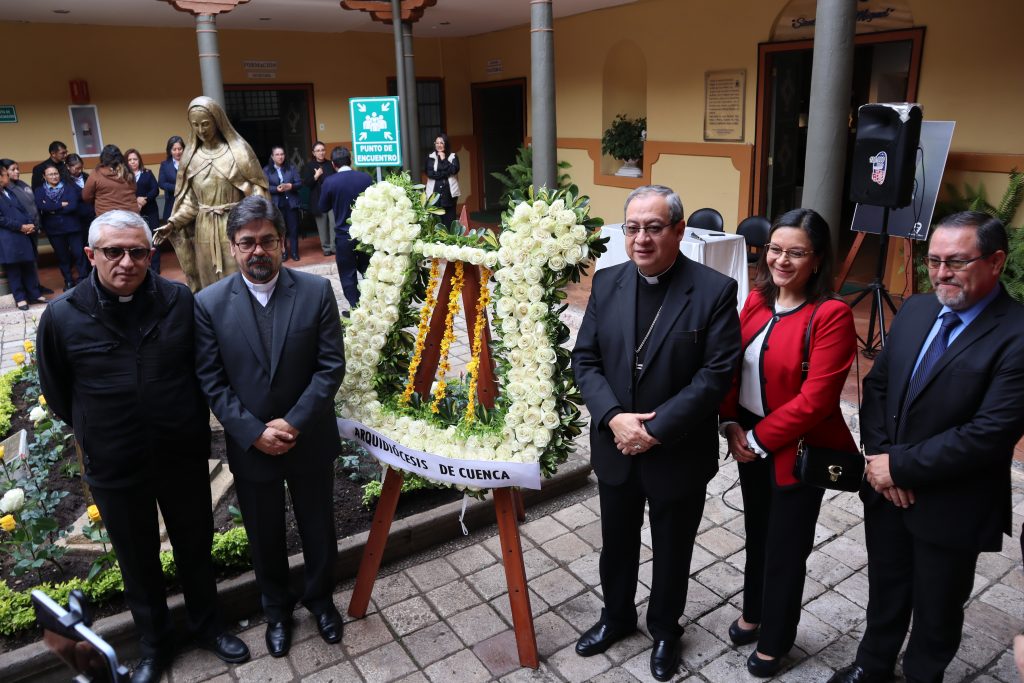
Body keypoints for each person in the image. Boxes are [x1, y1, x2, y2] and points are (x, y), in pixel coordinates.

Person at [36, 210, 250, 683]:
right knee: (137, 560)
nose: (127, 262)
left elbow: (203, 370)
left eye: (137, 252)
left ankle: (208, 627)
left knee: (195, 546)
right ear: (91, 255)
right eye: (113, 251)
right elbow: (57, 392)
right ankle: (155, 644)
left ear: (151, 254)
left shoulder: (177, 300)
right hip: (115, 463)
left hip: (181, 454)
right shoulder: (62, 316)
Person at [829, 211, 1024, 683]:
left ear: (996, 261)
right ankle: (871, 666)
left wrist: (901, 468)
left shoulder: (1017, 334)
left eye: (956, 262)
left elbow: (988, 434)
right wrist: (880, 463)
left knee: (937, 607)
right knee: (886, 587)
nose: (940, 273)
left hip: (954, 500)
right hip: (887, 485)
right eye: (934, 261)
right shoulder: (916, 309)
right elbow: (877, 389)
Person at [571, 185, 741, 681]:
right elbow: (586, 361)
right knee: (616, 543)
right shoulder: (608, 283)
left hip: (677, 449)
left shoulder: (712, 290)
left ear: (679, 231)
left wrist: (656, 430)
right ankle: (617, 617)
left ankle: (666, 628)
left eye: (653, 227)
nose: (641, 238)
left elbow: (715, 375)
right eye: (632, 228)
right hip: (616, 443)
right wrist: (614, 419)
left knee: (673, 547)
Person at [194, 195, 346, 657]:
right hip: (251, 444)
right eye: (247, 243)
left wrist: (294, 423)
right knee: (264, 534)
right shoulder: (209, 304)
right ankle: (276, 611)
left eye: (266, 241)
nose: (257, 251)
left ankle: (320, 600)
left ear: (283, 242)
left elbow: (330, 367)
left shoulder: (317, 292)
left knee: (319, 527)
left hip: (310, 438)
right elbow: (211, 379)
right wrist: (254, 431)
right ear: (233, 248)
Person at [718, 209, 857, 677]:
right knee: (758, 531)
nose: (781, 260)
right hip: (748, 438)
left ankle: (777, 639)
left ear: (817, 260)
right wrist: (731, 423)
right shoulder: (758, 299)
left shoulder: (831, 315)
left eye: (795, 252)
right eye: (775, 249)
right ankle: (755, 612)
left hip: (796, 447)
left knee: (786, 545)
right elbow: (732, 366)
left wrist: (758, 439)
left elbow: (816, 400)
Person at [156, 96, 268, 292]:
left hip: (235, 227)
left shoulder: (238, 152)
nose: (201, 130)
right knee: (208, 283)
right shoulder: (190, 158)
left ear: (217, 121)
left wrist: (256, 220)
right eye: (196, 125)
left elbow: (257, 191)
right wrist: (173, 223)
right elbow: (191, 202)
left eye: (206, 124)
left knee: (240, 281)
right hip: (204, 231)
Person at [318, 146, 372, 309]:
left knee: (347, 275)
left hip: (343, 236)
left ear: (333, 164)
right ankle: (373, 305)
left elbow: (322, 207)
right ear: (350, 160)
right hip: (366, 234)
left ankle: (356, 309)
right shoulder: (365, 178)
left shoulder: (330, 182)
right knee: (369, 271)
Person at [0, 164, 45, 310]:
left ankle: (34, 294)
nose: (8, 177)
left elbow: (23, 209)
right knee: (14, 269)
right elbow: (1, 219)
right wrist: (20, 226)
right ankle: (20, 298)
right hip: (9, 237)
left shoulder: (9, 192)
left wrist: (29, 223)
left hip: (23, 233)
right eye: (6, 174)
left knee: (28, 265)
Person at [35, 165, 87, 290]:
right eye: (50, 174)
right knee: (62, 256)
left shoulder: (69, 187)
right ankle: (68, 280)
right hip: (54, 230)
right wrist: (61, 205)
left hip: (73, 227)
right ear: (44, 177)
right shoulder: (39, 191)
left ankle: (83, 279)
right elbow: (41, 207)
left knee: (79, 254)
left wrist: (52, 208)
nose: (54, 176)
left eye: (56, 173)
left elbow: (73, 206)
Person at [263, 146, 303, 261]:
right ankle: (283, 252)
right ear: (272, 156)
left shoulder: (291, 168)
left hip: (291, 202)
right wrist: (276, 189)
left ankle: (295, 252)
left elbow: (299, 183)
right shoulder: (266, 170)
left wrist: (291, 186)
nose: (280, 157)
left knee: (293, 229)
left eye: (282, 154)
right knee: (280, 229)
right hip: (277, 204)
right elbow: (264, 187)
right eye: (277, 154)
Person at [126, 148, 162, 273]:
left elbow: (155, 189)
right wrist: (136, 201)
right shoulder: (124, 177)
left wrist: (144, 199)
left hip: (151, 211)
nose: (132, 162)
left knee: (153, 239)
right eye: (129, 160)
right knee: (138, 240)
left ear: (139, 160)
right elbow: (122, 193)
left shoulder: (147, 173)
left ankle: (155, 268)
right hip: (133, 213)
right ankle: (142, 267)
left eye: (135, 159)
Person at [82, 145, 139, 215]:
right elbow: (134, 189)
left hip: (108, 217)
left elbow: (86, 196)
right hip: (131, 215)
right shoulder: (128, 171)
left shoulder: (96, 173)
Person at [300, 141, 335, 256]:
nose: (321, 153)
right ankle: (326, 248)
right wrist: (316, 176)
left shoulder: (331, 164)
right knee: (322, 225)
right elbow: (307, 184)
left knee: (334, 223)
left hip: (331, 199)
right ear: (313, 153)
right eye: (318, 151)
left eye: (322, 150)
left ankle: (334, 247)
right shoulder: (309, 166)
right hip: (318, 199)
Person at [66, 153, 94, 277]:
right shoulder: (65, 181)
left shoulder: (87, 177)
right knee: (80, 249)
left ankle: (95, 271)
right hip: (75, 219)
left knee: (92, 244)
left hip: (91, 216)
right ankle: (84, 275)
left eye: (80, 168)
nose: (79, 171)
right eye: (76, 168)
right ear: (68, 167)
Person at [424, 133, 460, 227]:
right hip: (434, 193)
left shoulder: (453, 156)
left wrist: (444, 159)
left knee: (449, 220)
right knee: (436, 220)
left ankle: (450, 240)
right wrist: (445, 173)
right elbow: (430, 174)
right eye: (437, 143)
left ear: (446, 144)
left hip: (449, 193)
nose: (439, 145)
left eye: (442, 143)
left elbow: (454, 170)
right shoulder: (430, 157)